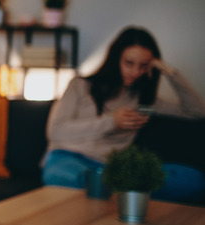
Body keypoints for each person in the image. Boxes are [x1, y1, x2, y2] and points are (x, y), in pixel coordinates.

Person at [42, 26, 205, 203]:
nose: (136, 72)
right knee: (60, 176)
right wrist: (112, 121)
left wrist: (170, 73)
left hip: (114, 168)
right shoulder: (80, 86)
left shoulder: (145, 103)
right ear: (116, 59)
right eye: (129, 63)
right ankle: (120, 192)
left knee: (191, 180)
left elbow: (195, 113)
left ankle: (107, 190)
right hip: (70, 159)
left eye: (143, 66)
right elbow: (56, 131)